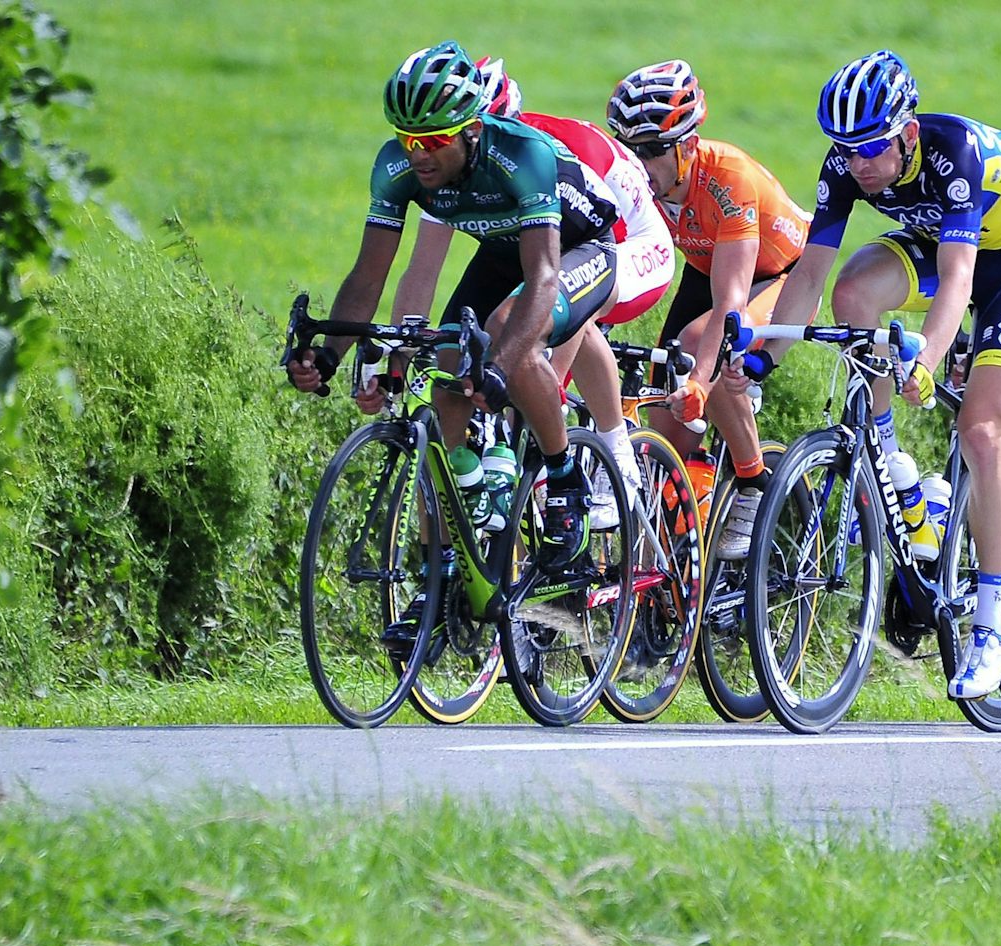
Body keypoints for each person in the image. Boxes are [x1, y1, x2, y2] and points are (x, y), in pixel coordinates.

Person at [744, 50, 1001, 699]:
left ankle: (993, 626)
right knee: (854, 295)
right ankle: (890, 466)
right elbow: (809, 275)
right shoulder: (850, 161)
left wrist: (928, 357)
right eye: (845, 150)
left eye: (870, 149)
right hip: (937, 245)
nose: (857, 164)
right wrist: (759, 364)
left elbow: (962, 278)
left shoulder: (955, 153)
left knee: (982, 430)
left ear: (907, 134)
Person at [285, 41, 620, 581]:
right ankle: (445, 574)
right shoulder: (397, 168)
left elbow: (543, 278)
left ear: (472, 129)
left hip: (583, 251)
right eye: (408, 138)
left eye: (435, 139)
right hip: (502, 248)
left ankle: (563, 478)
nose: (419, 154)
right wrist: (328, 354)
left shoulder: (521, 156)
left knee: (509, 333)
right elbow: (369, 275)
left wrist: (500, 365)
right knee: (444, 366)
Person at [387, 55, 677, 529]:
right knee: (481, 339)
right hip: (543, 246)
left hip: (629, 242)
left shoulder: (539, 154)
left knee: (550, 324)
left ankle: (615, 451)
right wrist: (401, 346)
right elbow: (421, 272)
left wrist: (530, 378)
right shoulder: (444, 164)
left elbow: (578, 259)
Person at [605, 59, 812, 559]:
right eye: (628, 150)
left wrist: (701, 379)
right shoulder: (636, 184)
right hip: (707, 264)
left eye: (652, 151)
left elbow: (731, 304)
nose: (638, 163)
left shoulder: (727, 179)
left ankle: (752, 482)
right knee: (665, 424)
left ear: (689, 146)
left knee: (704, 349)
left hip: (784, 275)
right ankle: (676, 558)